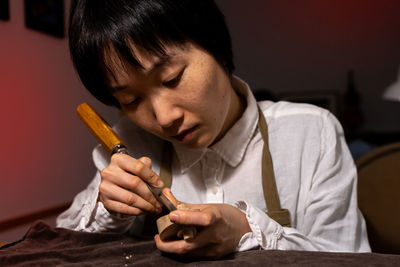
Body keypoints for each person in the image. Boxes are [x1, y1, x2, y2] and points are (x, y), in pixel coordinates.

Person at [57, 0, 371, 259]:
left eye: (172, 79)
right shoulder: (128, 141)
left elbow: (347, 258)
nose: (165, 118)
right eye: (132, 99)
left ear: (215, 48)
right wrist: (110, 208)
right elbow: (60, 244)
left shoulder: (311, 132)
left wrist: (248, 232)